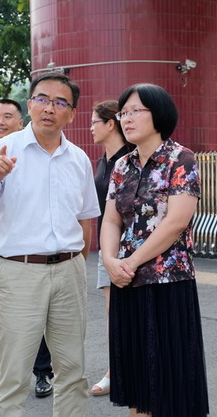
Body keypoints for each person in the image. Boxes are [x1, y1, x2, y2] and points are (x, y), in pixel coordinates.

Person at [0, 72, 100, 416]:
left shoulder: (79, 159)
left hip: (69, 272)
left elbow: (85, 219)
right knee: (14, 376)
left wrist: (75, 262)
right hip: (19, 272)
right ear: (30, 105)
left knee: (72, 370)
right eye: (42, 99)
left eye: (60, 102)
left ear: (72, 112)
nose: (49, 108)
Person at [100, 83, 209, 416]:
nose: (127, 119)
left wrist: (129, 261)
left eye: (136, 111)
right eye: (124, 113)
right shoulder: (122, 166)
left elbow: (175, 223)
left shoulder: (181, 159)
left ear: (158, 113)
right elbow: (110, 221)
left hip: (167, 283)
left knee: (169, 379)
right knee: (136, 380)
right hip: (126, 281)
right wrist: (109, 261)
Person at [0, 99, 54, 398]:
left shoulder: (36, 154)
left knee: (39, 307)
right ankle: (3, 371)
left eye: (8, 116)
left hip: (31, 239)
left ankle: (43, 370)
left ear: (21, 122)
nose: (0, 121)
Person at [89, 100, 132, 397]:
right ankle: (115, 371)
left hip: (134, 248)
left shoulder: (130, 158)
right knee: (113, 310)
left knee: (134, 311)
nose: (91, 127)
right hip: (108, 248)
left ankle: (133, 368)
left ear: (110, 124)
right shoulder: (102, 162)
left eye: (95, 122)